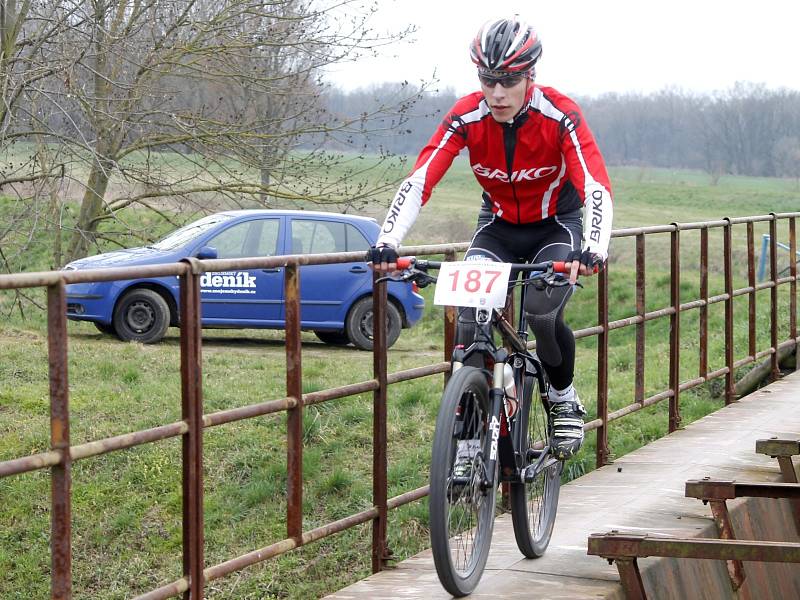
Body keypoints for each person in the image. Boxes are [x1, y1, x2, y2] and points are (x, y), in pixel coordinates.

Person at [367, 16, 613, 460]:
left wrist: (593, 247)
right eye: (488, 80)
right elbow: (421, 178)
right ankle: (468, 436)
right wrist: (388, 240)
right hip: (498, 227)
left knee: (541, 314)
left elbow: (594, 183)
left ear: (530, 77)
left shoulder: (559, 114)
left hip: (555, 226)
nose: (497, 93)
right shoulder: (467, 115)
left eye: (509, 81)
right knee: (470, 317)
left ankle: (562, 398)